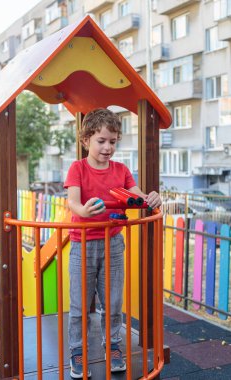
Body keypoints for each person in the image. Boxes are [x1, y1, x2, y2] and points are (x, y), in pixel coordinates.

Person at [64, 108, 162, 379]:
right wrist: (82, 211)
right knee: (80, 305)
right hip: (83, 244)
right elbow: (73, 201)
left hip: (113, 244)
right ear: (86, 141)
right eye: (101, 141)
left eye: (113, 141)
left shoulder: (121, 170)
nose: (108, 147)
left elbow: (137, 195)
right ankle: (77, 351)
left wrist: (150, 198)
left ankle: (114, 346)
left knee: (113, 301)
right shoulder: (78, 168)